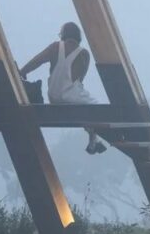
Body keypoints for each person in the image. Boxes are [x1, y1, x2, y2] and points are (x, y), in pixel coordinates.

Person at [19, 22, 107, 154]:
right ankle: (94, 138)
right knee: (94, 107)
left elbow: (36, 61)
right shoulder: (84, 54)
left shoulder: (55, 47)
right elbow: (79, 81)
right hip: (71, 96)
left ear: (63, 34)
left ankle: (95, 139)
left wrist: (22, 71)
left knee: (86, 107)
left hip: (54, 96)